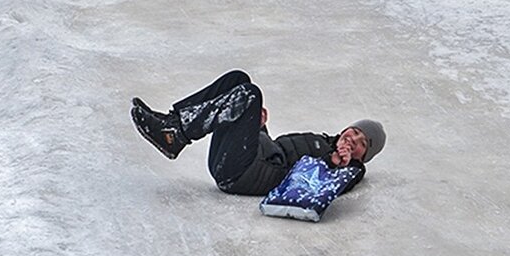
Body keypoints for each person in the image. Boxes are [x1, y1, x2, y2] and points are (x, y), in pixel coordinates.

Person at [130, 70, 385, 197]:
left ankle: (176, 134)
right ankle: (174, 124)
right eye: (356, 131)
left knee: (251, 94)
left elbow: (332, 180)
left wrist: (336, 164)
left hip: (245, 175)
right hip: (241, 163)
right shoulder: (322, 141)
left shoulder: (349, 169)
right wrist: (260, 129)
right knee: (238, 80)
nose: (354, 139)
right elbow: (277, 155)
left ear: (363, 158)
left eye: (363, 144)